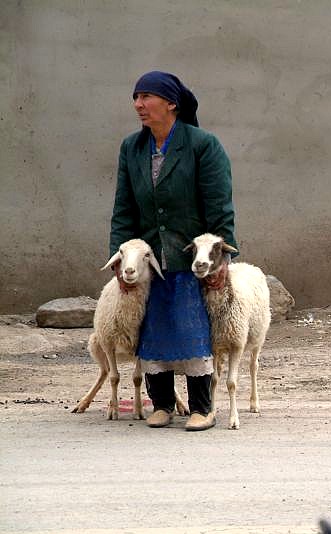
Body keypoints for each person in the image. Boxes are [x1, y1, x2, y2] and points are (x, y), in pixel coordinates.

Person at [109, 71, 237, 431]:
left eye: (146, 96)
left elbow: (220, 207)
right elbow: (124, 210)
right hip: (148, 260)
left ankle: (202, 406)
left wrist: (222, 260)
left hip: (191, 258)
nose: (138, 104)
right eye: (135, 97)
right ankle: (162, 404)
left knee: (191, 328)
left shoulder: (202, 146)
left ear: (171, 104)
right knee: (153, 329)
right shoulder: (132, 148)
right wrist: (120, 259)